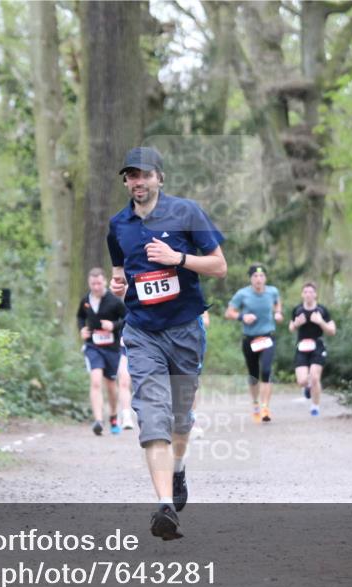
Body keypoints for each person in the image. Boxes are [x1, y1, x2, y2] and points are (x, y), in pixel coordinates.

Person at [108, 146, 227, 540]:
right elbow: (119, 270)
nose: (137, 181)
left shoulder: (187, 213)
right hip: (142, 332)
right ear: (126, 181)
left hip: (184, 330)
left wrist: (178, 258)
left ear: (160, 177)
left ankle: (177, 471)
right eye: (130, 175)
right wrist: (118, 282)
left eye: (144, 174)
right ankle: (163, 507)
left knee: (180, 420)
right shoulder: (118, 225)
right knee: (152, 416)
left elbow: (219, 266)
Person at [225, 265, 283, 423]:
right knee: (253, 375)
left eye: (262, 276)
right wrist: (242, 317)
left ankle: (265, 407)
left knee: (266, 370)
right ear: (251, 279)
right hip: (249, 339)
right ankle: (256, 403)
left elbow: (277, 303)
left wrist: (278, 313)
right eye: (255, 277)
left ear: (266, 278)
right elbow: (229, 312)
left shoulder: (272, 291)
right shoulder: (242, 294)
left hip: (267, 337)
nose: (259, 279)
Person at [76, 268, 127, 435]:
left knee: (111, 386)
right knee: (96, 381)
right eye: (92, 284)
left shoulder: (114, 301)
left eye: (98, 283)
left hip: (112, 348)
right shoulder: (86, 300)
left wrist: (113, 326)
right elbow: (80, 317)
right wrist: (81, 329)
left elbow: (127, 318)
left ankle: (113, 416)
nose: (96, 287)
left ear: (104, 282)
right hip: (93, 346)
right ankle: (98, 420)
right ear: (89, 284)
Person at [289, 281, 336, 416]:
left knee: (315, 377)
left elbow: (332, 331)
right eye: (305, 292)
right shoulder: (297, 310)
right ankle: (307, 387)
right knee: (302, 381)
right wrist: (297, 324)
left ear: (315, 295)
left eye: (311, 292)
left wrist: (320, 322)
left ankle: (315, 407)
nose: (308, 294)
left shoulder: (322, 310)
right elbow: (291, 328)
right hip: (302, 346)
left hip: (317, 346)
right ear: (302, 295)